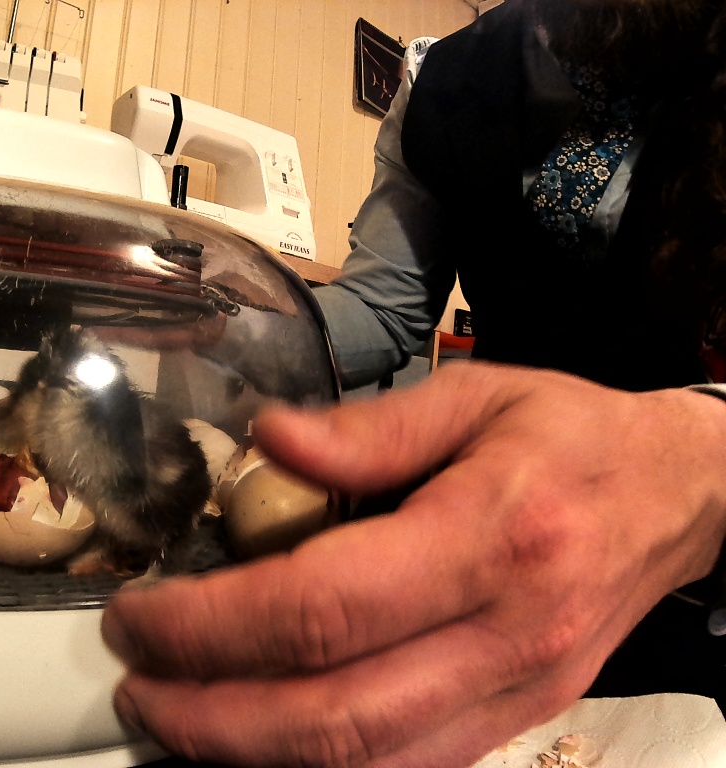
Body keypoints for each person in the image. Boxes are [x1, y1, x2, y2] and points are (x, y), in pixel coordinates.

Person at [100, 1, 726, 766]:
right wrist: (225, 320)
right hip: (499, 529)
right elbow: (382, 310)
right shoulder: (450, 79)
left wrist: (705, 466)